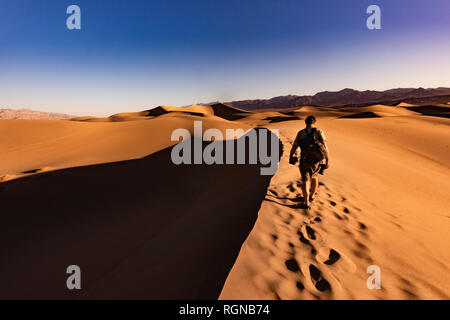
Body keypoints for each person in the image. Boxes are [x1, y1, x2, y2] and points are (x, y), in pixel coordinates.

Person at [289, 115, 329, 209]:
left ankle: (306, 202)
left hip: (304, 160)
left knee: (305, 181)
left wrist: (291, 156)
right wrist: (327, 160)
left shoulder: (301, 133)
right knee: (314, 177)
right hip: (316, 160)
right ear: (314, 122)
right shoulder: (319, 131)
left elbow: (295, 146)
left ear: (305, 122)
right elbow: (325, 147)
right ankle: (312, 196)